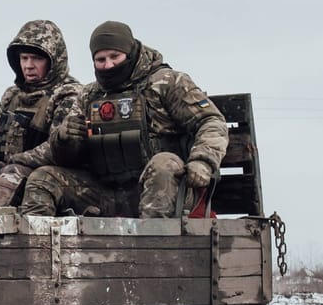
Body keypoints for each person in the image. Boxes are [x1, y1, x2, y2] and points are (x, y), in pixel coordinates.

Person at [20, 20, 228, 218]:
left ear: (129, 54)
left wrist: (203, 161)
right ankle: (35, 249)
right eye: (100, 60)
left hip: (167, 188)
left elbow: (211, 122)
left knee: (164, 164)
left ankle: (157, 248)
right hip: (106, 191)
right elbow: (67, 157)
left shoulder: (167, 83)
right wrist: (64, 139)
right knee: (43, 179)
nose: (108, 65)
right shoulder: (89, 95)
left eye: (114, 57)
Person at [0, 19, 80, 209]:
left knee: (10, 175)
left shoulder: (68, 95)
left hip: (42, 178)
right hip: (1, 173)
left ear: (54, 60)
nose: (28, 65)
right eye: (24, 58)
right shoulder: (12, 95)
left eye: (37, 59)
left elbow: (56, 149)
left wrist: (15, 161)